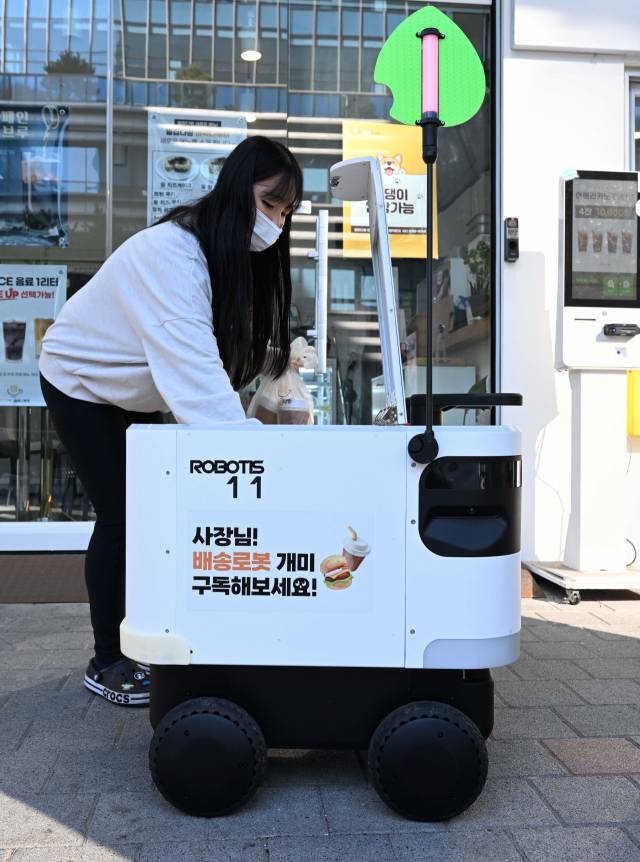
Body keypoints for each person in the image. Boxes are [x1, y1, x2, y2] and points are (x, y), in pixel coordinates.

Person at [39, 136, 303, 706]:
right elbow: (200, 389)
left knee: (164, 510)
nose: (275, 223)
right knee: (124, 516)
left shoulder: (225, 257)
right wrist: (269, 459)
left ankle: (153, 631)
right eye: (269, 203)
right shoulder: (170, 255)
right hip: (80, 379)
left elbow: (213, 369)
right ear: (235, 192)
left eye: (285, 212)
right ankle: (107, 661)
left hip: (137, 386)